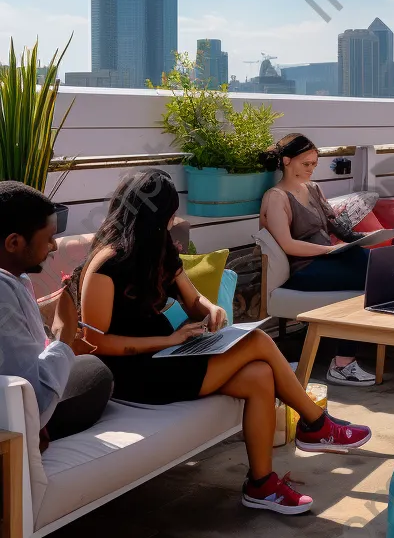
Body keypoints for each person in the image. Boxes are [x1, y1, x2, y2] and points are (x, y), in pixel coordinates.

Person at [79, 169, 371, 515]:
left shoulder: (157, 248)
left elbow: (192, 300)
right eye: (169, 213)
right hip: (133, 375)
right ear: (153, 216)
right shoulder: (106, 266)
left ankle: (261, 485)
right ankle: (315, 424)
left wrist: (211, 308)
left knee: (261, 375)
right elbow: (94, 346)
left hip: (167, 354)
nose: (174, 219)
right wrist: (166, 339)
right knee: (258, 342)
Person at [259, 134, 378, 388]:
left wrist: (364, 238)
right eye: (306, 164)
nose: (312, 169)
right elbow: (287, 245)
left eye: (314, 164)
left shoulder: (313, 188)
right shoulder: (276, 197)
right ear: (287, 161)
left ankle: (378, 345)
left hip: (327, 260)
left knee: (374, 262)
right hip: (304, 269)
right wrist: (327, 252)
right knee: (370, 273)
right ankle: (342, 365)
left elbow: (337, 225)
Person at [0, 182, 113, 443]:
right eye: (48, 238)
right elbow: (32, 402)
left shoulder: (14, 280)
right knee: (97, 374)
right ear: (14, 242)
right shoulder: (4, 289)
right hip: (17, 421)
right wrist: (64, 339)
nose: (53, 246)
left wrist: (47, 313)